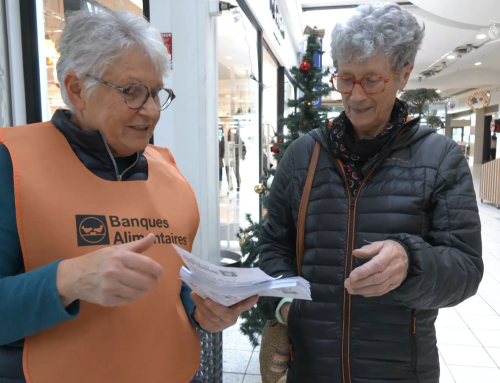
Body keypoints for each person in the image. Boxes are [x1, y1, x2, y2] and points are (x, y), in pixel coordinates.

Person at [0, 9, 257, 383]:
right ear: (76, 90)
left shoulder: (168, 172)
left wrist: (202, 308)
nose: (151, 111)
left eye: (155, 93)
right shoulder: (12, 164)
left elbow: (171, 281)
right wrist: (67, 279)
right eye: (132, 92)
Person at [258, 3, 483, 383]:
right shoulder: (302, 157)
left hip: (400, 371)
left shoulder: (440, 158)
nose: (356, 96)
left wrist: (411, 262)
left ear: (403, 75)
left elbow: (466, 270)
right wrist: (283, 305)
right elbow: (272, 248)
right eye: (346, 79)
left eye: (371, 80)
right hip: (312, 368)